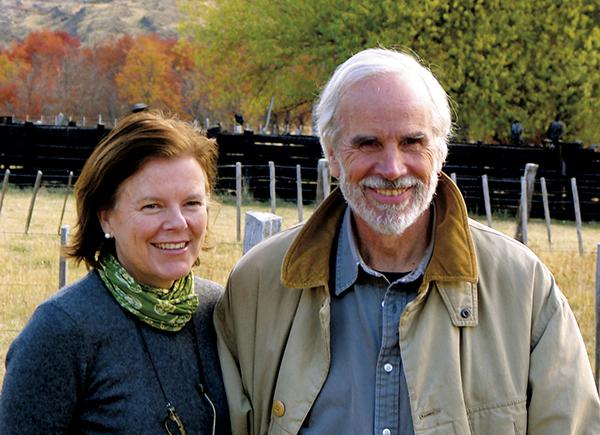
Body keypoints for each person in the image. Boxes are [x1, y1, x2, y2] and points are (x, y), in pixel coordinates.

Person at [214, 48, 600, 434]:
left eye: (413, 142)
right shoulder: (258, 287)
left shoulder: (523, 288)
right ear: (331, 155)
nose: (393, 169)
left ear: (441, 151)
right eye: (367, 144)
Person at [0, 110, 231, 434]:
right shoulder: (62, 331)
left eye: (192, 203)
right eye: (152, 205)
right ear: (106, 217)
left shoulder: (218, 311)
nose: (178, 223)